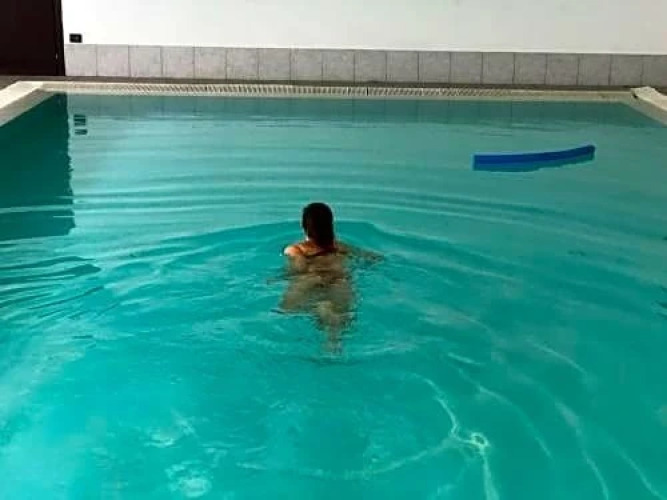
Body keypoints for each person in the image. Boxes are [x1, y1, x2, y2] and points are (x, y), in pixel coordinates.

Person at [280, 203, 378, 349]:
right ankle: (332, 343)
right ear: (331, 225)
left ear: (303, 226)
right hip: (339, 279)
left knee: (286, 310)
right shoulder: (341, 247)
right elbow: (372, 259)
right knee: (338, 317)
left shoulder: (296, 249)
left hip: (311, 279)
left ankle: (322, 309)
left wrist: (279, 277)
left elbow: (299, 269)